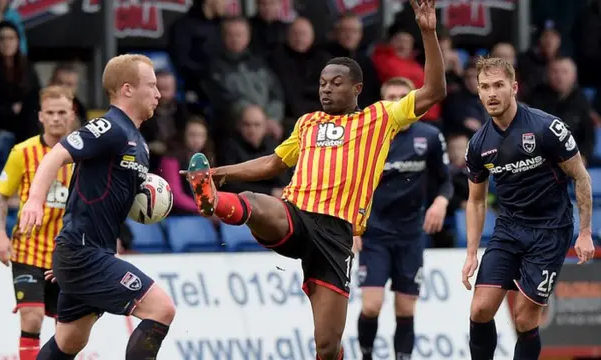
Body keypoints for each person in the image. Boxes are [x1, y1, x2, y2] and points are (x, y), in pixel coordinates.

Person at [182, 1, 446, 359]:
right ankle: (213, 200)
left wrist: (427, 32)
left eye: (336, 83)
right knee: (257, 202)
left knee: (326, 345)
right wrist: (218, 173)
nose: (326, 89)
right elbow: (274, 162)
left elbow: (433, 91)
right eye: (322, 83)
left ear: (357, 89)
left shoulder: (380, 117)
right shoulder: (307, 123)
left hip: (337, 237)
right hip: (298, 216)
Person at [18, 54, 176, 360]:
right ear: (127, 89)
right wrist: (35, 201)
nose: (158, 93)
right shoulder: (110, 127)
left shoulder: (139, 143)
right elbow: (56, 155)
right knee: (161, 309)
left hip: (85, 253)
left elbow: (99, 199)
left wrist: (68, 261)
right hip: (84, 253)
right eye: (152, 85)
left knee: (69, 342)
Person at [462, 56, 595, 360]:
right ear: (478, 92)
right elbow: (477, 200)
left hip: (550, 231)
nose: (492, 93)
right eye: (485, 87)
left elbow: (581, 177)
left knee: (524, 319)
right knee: (480, 309)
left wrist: (585, 232)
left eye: (499, 85)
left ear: (514, 88)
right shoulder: (478, 145)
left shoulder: (547, 127)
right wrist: (471, 253)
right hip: (508, 230)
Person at [355, 77, 453, 360]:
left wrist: (441, 201)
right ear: (382, 102)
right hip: (373, 233)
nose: (397, 101)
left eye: (403, 95)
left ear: (413, 102)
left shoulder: (430, 136)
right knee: (371, 306)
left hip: (410, 234)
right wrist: (352, 227)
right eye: (391, 96)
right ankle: (366, 355)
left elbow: (446, 181)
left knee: (406, 309)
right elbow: (350, 184)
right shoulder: (368, 137)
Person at [0, 86, 75, 360]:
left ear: (71, 115)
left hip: (66, 253)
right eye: (50, 113)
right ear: (40, 116)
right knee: (32, 317)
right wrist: (0, 236)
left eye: (61, 112)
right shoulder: (22, 152)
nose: (55, 118)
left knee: (67, 328)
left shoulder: (85, 156)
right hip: (28, 250)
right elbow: (1, 196)